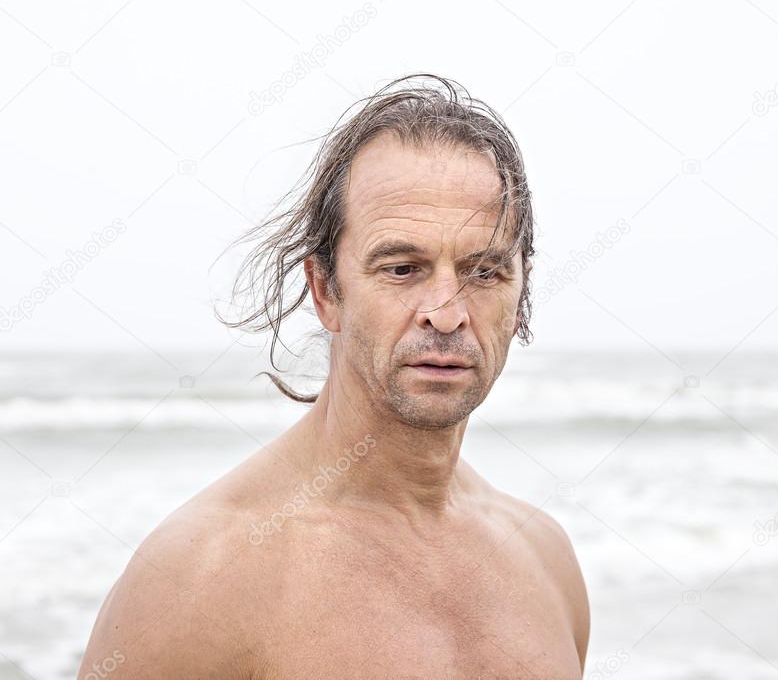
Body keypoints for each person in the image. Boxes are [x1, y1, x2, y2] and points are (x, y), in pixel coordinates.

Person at [78, 74, 590, 679]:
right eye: (402, 268)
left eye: (483, 272)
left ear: (521, 286)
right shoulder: (202, 580)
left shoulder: (544, 561)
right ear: (325, 290)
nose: (447, 313)